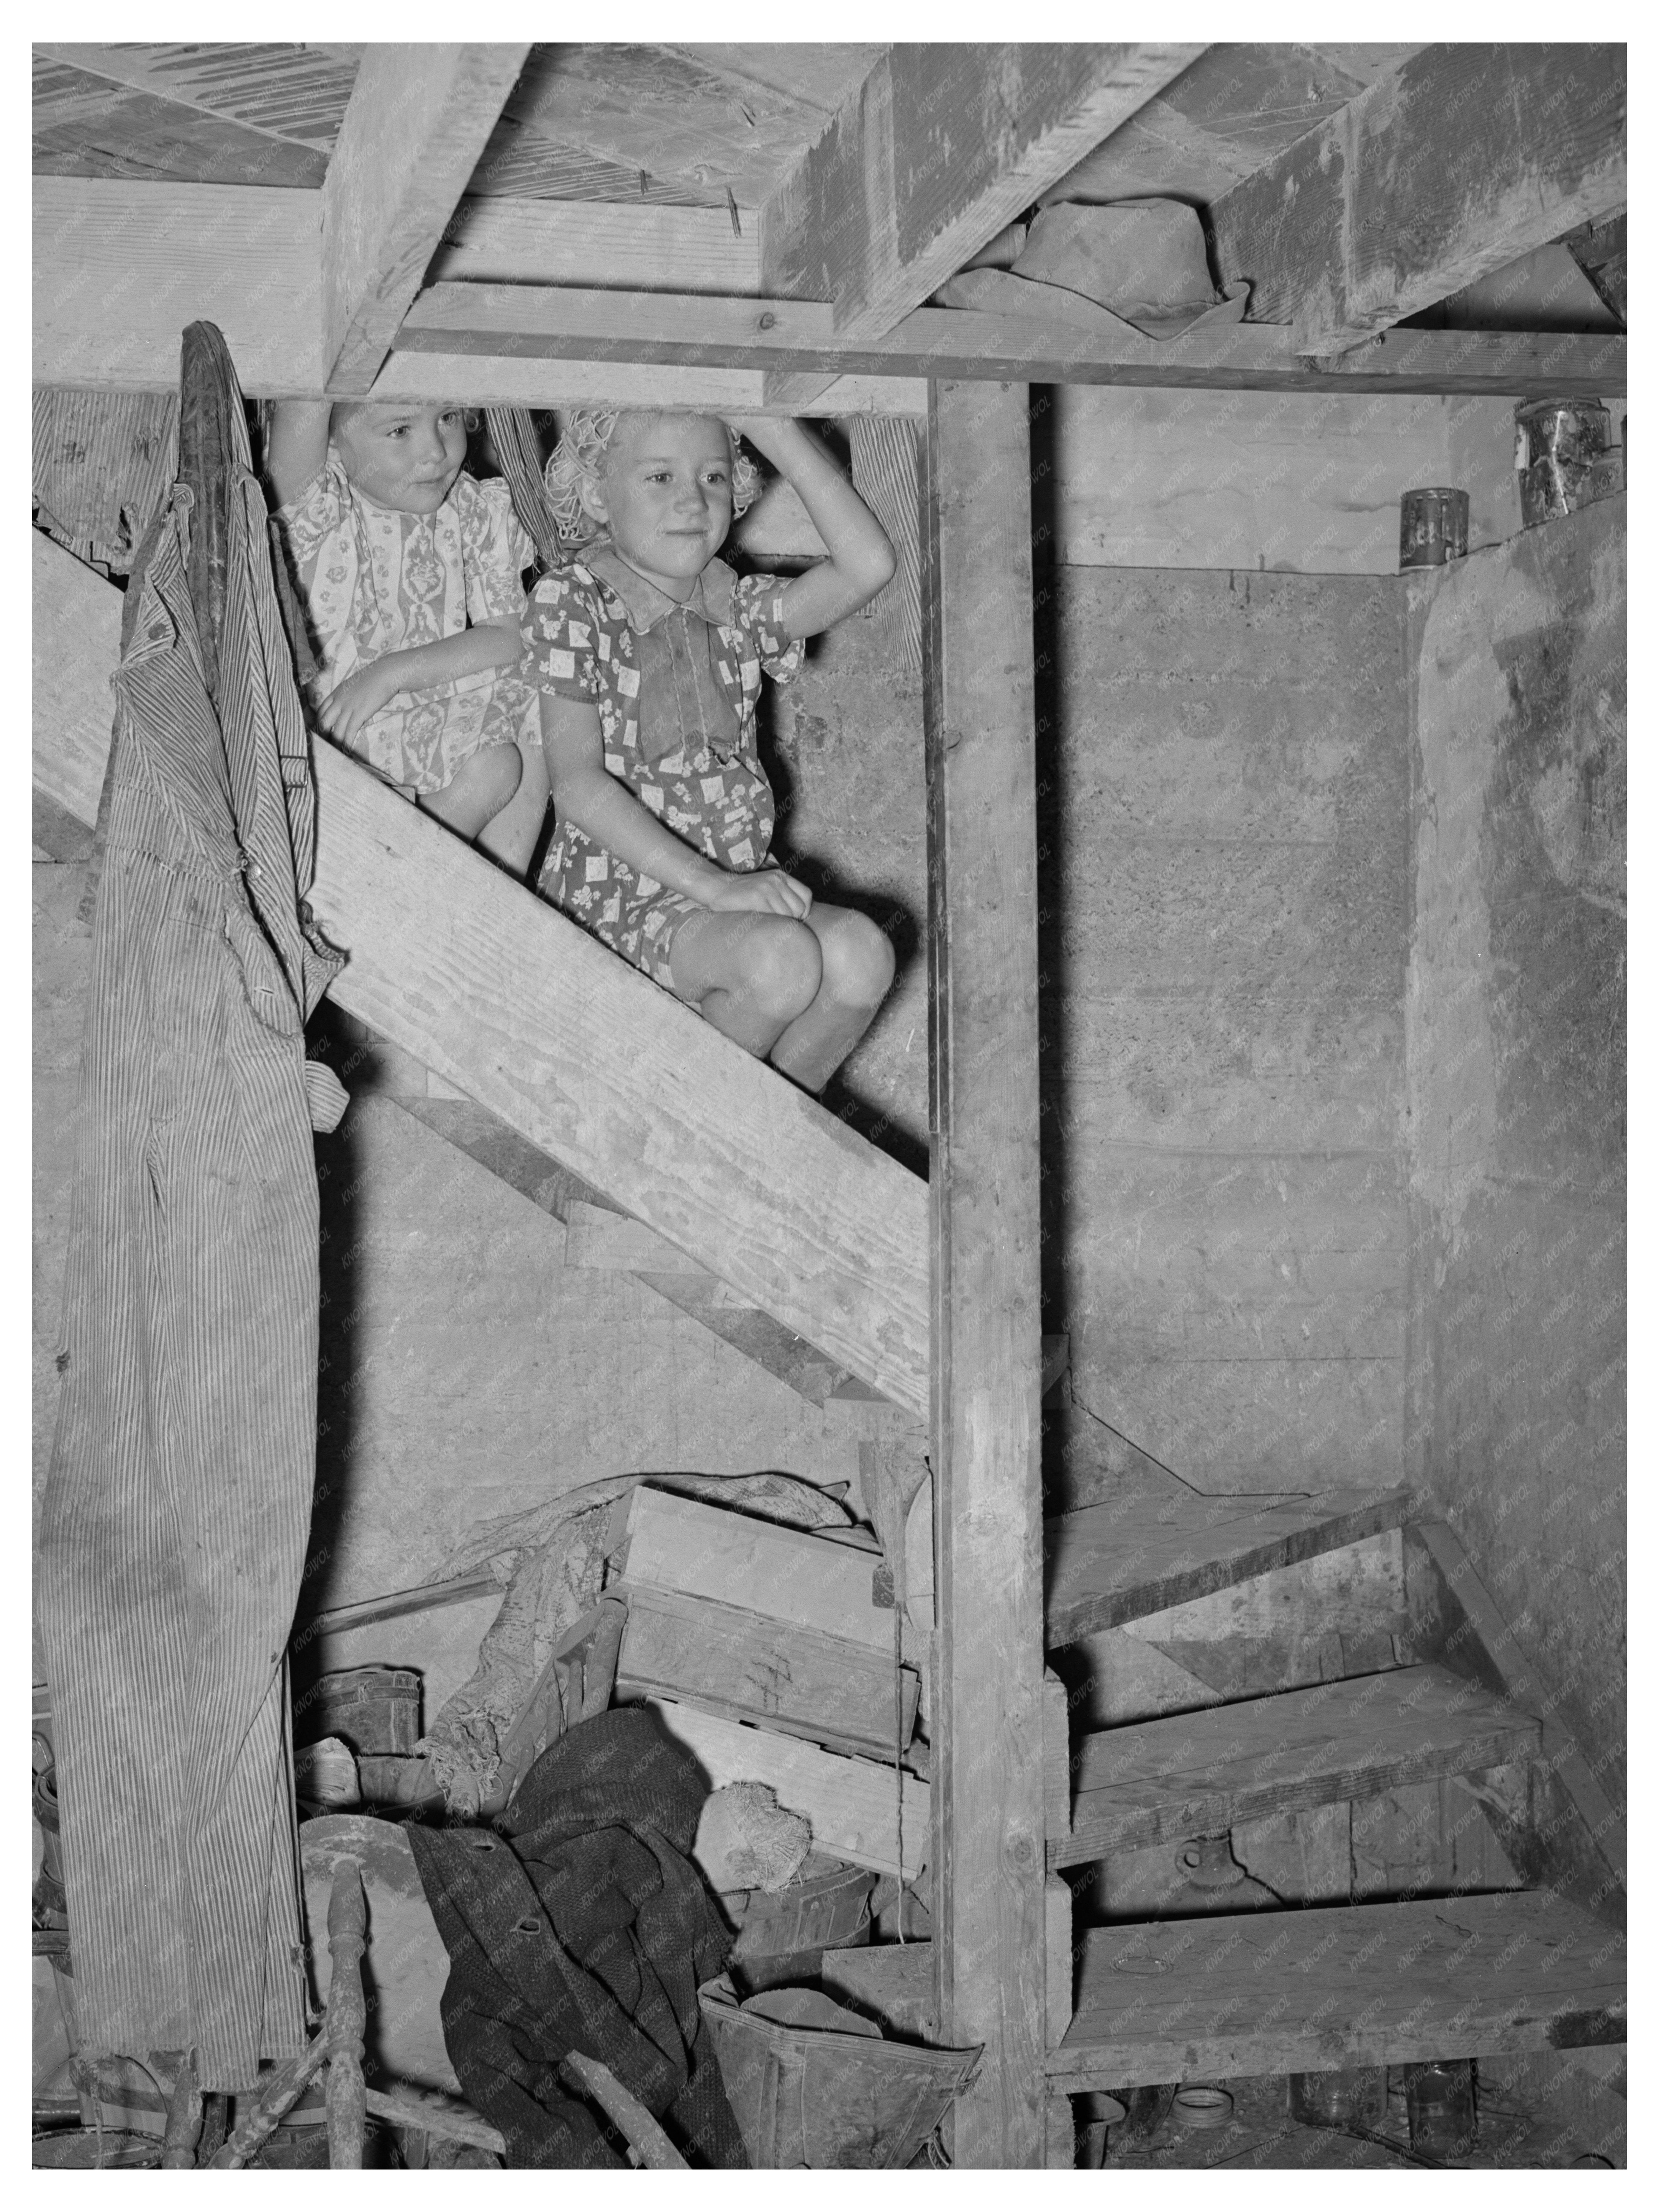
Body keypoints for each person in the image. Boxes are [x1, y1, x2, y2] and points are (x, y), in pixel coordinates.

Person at [524, 407, 897, 1093]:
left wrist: (772, 423)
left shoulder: (737, 605)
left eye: (715, 476)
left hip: (731, 896)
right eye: (660, 477)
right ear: (597, 494)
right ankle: (672, 1153)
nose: (693, 500)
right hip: (618, 902)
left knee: (862, 954)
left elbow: (869, 564)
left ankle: (762, 1151)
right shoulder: (574, 599)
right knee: (781, 961)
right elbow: (576, 787)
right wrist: (720, 890)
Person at [266, 399, 548, 871]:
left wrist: (392, 674)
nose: (435, 451)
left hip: (428, 715)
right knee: (497, 768)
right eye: (399, 431)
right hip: (341, 736)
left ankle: (499, 892)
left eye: (448, 418)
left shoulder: (473, 510)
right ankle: (406, 870)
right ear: (334, 442)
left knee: (536, 707)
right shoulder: (318, 507)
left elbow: (509, 636)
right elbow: (306, 391)